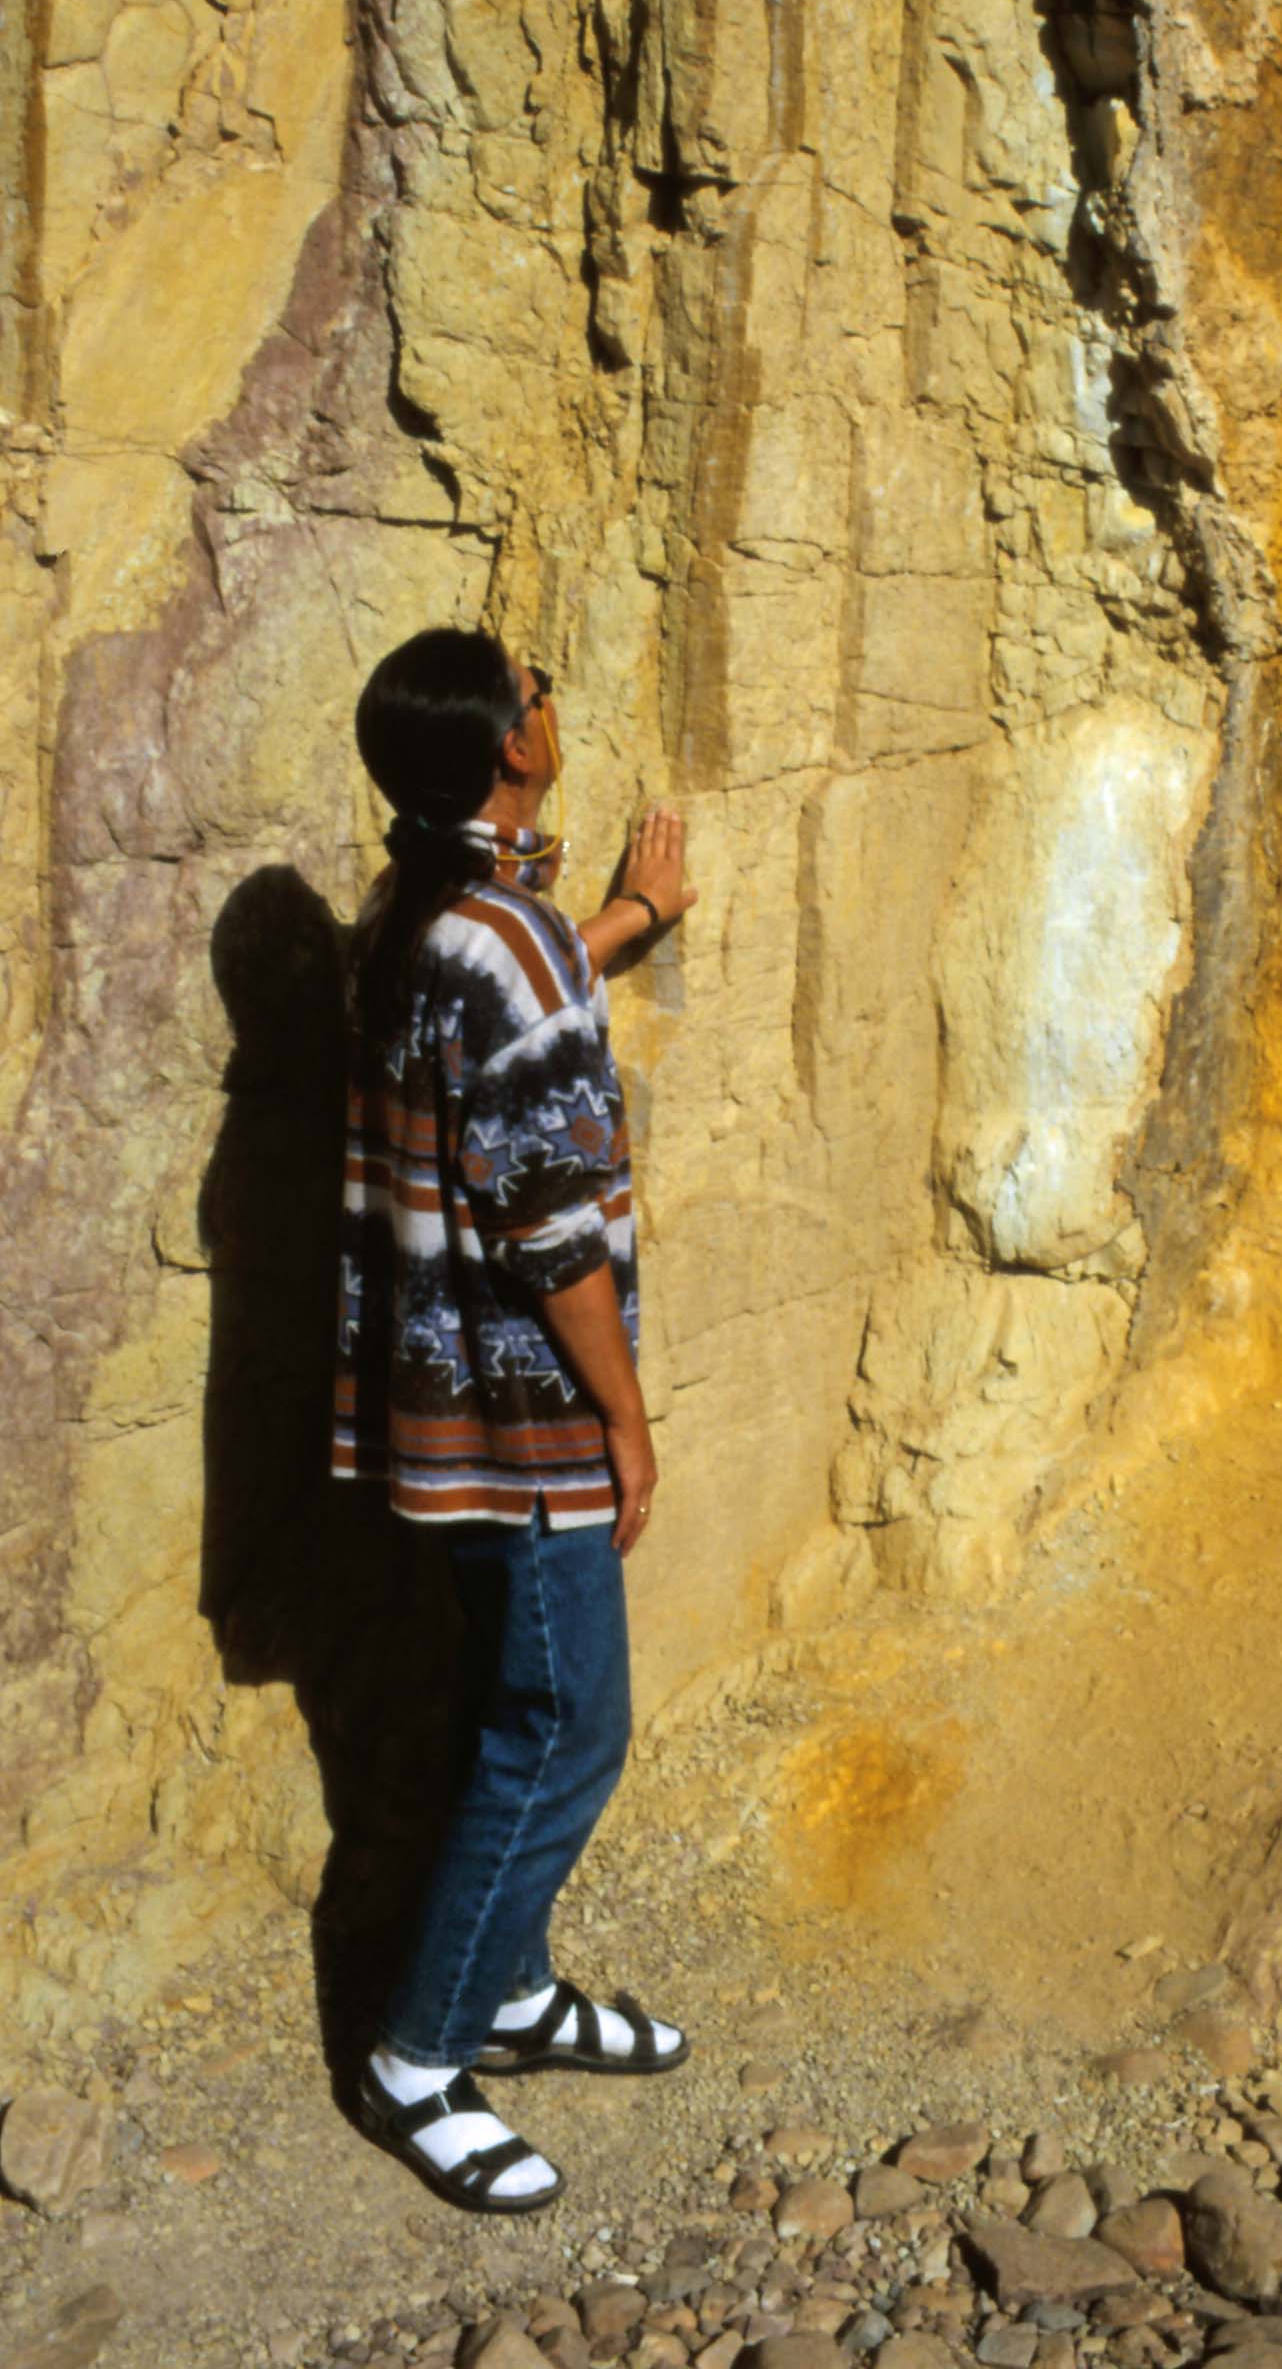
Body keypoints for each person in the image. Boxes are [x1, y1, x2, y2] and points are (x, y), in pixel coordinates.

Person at [333, 625, 696, 2213]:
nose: (554, 701)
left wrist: (622, 919)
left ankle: (513, 1987)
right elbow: (550, 1229)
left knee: (513, 1701)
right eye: (536, 694)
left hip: (440, 1416)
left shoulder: (421, 923)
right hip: (531, 1419)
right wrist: (625, 1422)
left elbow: (510, 998)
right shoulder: (511, 941)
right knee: (561, 1730)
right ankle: (419, 2049)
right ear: (507, 753)